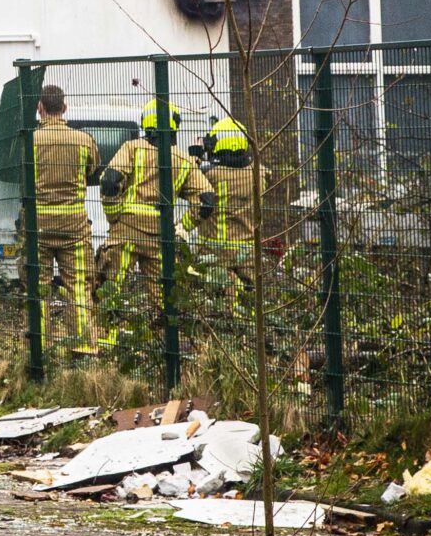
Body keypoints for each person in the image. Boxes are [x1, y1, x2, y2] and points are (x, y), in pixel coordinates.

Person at [100, 103, 215, 295]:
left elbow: (110, 182)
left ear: (146, 123)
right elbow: (207, 200)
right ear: (174, 126)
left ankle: (107, 326)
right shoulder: (183, 160)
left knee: (110, 295)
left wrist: (113, 217)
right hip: (161, 235)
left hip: (126, 230)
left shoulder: (132, 149)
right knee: (166, 301)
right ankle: (163, 325)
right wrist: (181, 227)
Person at [28, 86, 104, 348]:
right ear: (64, 107)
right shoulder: (84, 140)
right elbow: (93, 169)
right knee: (79, 288)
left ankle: (40, 348)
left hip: (37, 226)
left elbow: (21, 177)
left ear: (40, 108)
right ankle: (83, 347)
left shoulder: (31, 141)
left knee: (37, 290)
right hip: (73, 227)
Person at [199, 116, 270, 256]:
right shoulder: (260, 173)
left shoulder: (210, 175)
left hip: (215, 253)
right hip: (249, 253)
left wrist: (197, 159)